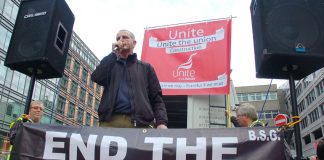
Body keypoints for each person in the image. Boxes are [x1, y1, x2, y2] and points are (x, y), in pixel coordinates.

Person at [91, 29, 168, 129]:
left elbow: (157, 99)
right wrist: (114, 53)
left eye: (125, 37)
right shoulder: (111, 64)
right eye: (118, 38)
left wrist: (161, 122)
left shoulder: (146, 68)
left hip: (141, 124)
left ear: (134, 43)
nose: (121, 40)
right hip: (110, 123)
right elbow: (96, 77)